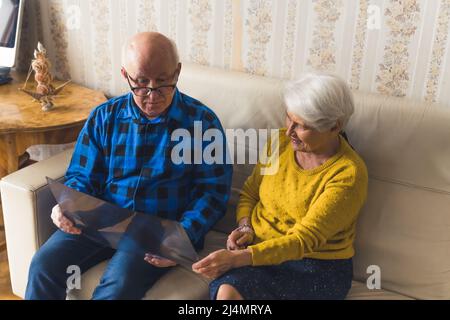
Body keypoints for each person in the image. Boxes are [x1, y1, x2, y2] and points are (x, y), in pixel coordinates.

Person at [25, 32, 232, 300]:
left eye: (163, 82)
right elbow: (81, 175)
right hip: (100, 218)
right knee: (43, 265)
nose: (152, 95)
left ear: (177, 72)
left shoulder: (202, 124)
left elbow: (213, 194)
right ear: (125, 75)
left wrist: (182, 237)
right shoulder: (104, 116)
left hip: (158, 230)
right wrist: (67, 203)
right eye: (141, 82)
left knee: (117, 287)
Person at [193, 73, 368, 300]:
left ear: (334, 126)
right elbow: (249, 193)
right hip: (259, 249)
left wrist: (239, 258)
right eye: (289, 118)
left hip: (315, 266)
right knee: (227, 291)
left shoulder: (347, 174)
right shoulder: (279, 143)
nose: (289, 132)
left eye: (302, 126)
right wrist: (245, 226)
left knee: (230, 292)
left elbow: (302, 241)